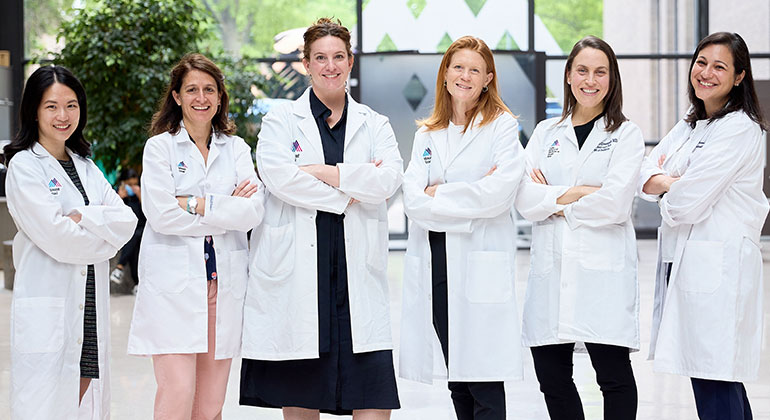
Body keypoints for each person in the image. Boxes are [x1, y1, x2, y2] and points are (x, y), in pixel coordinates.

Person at [240, 18, 403, 419]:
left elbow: (388, 180)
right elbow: (278, 177)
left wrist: (325, 172)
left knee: (374, 405)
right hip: (302, 282)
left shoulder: (375, 123)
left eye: (338, 57)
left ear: (350, 62)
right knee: (300, 407)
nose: (330, 66)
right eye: (320, 58)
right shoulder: (281, 121)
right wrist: (348, 195)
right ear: (306, 64)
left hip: (356, 285)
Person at [126, 53, 264, 420]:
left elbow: (252, 211)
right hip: (174, 288)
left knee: (210, 405)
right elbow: (160, 215)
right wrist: (224, 209)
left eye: (209, 89)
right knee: (178, 394)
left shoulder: (235, 149)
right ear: (176, 96)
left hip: (223, 288)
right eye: (191, 90)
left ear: (220, 97)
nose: (200, 98)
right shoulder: (160, 148)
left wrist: (196, 203)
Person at [639, 32, 768, 420]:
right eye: (701, 62)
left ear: (740, 76)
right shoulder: (691, 122)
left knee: (715, 378)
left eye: (719, 66)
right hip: (687, 264)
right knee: (712, 376)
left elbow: (688, 203)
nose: (706, 73)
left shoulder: (740, 129)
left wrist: (669, 185)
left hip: (718, 268)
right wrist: (668, 184)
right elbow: (644, 175)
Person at [514, 36, 644, 419]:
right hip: (551, 273)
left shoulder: (626, 134)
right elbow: (524, 200)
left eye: (600, 71)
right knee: (552, 377)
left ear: (611, 78)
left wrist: (553, 198)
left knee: (613, 376)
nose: (591, 80)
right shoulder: (544, 133)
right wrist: (580, 193)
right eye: (582, 70)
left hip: (602, 274)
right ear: (568, 75)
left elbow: (616, 204)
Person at [399, 35, 525, 420]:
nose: (465, 76)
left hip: (479, 262)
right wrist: (467, 196)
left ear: (488, 78)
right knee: (457, 376)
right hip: (437, 263)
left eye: (475, 69)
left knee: (484, 377)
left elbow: (500, 194)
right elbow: (412, 200)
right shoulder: (427, 133)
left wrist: (439, 194)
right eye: (458, 67)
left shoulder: (502, 127)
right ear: (445, 73)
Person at [4, 65, 137, 419]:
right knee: (45, 404)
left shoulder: (86, 165)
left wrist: (85, 219)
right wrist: (104, 235)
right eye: (51, 106)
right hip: (51, 304)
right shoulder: (24, 166)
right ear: (34, 109)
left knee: (85, 401)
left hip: (90, 304)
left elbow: (127, 221)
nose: (63, 116)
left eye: (71, 105)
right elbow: (59, 240)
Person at [109, 167, 146, 293]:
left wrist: (141, 196)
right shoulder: (115, 195)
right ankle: (137, 283)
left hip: (140, 229)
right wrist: (119, 198)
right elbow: (110, 213)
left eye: (135, 184)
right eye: (130, 185)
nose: (133, 187)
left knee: (135, 238)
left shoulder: (140, 195)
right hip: (124, 230)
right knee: (133, 238)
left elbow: (147, 214)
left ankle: (120, 268)